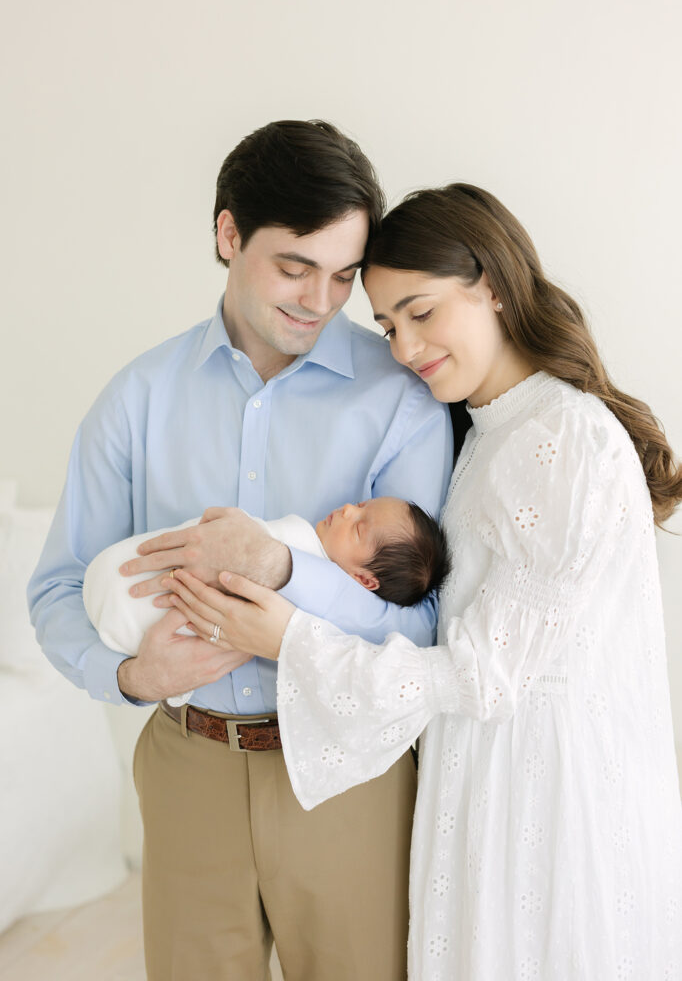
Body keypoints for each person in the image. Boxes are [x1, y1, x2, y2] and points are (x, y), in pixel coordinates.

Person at [168, 183, 682, 980]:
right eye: (386, 324)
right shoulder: (492, 433)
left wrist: (290, 638)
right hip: (489, 783)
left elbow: (483, 674)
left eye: (422, 311)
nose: (404, 347)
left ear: (494, 288)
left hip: (542, 805)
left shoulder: (560, 437)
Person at [28, 121, 453, 981]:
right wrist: (130, 678)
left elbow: (433, 618)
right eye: (294, 266)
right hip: (187, 764)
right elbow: (57, 588)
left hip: (348, 772)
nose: (319, 300)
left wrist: (287, 571)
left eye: (343, 276)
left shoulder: (403, 402)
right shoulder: (137, 399)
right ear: (228, 235)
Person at [83, 496, 450, 705]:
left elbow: (417, 642)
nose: (348, 509)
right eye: (360, 504)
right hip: (117, 603)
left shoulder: (322, 613)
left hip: (121, 607)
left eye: (358, 527)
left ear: (364, 580)